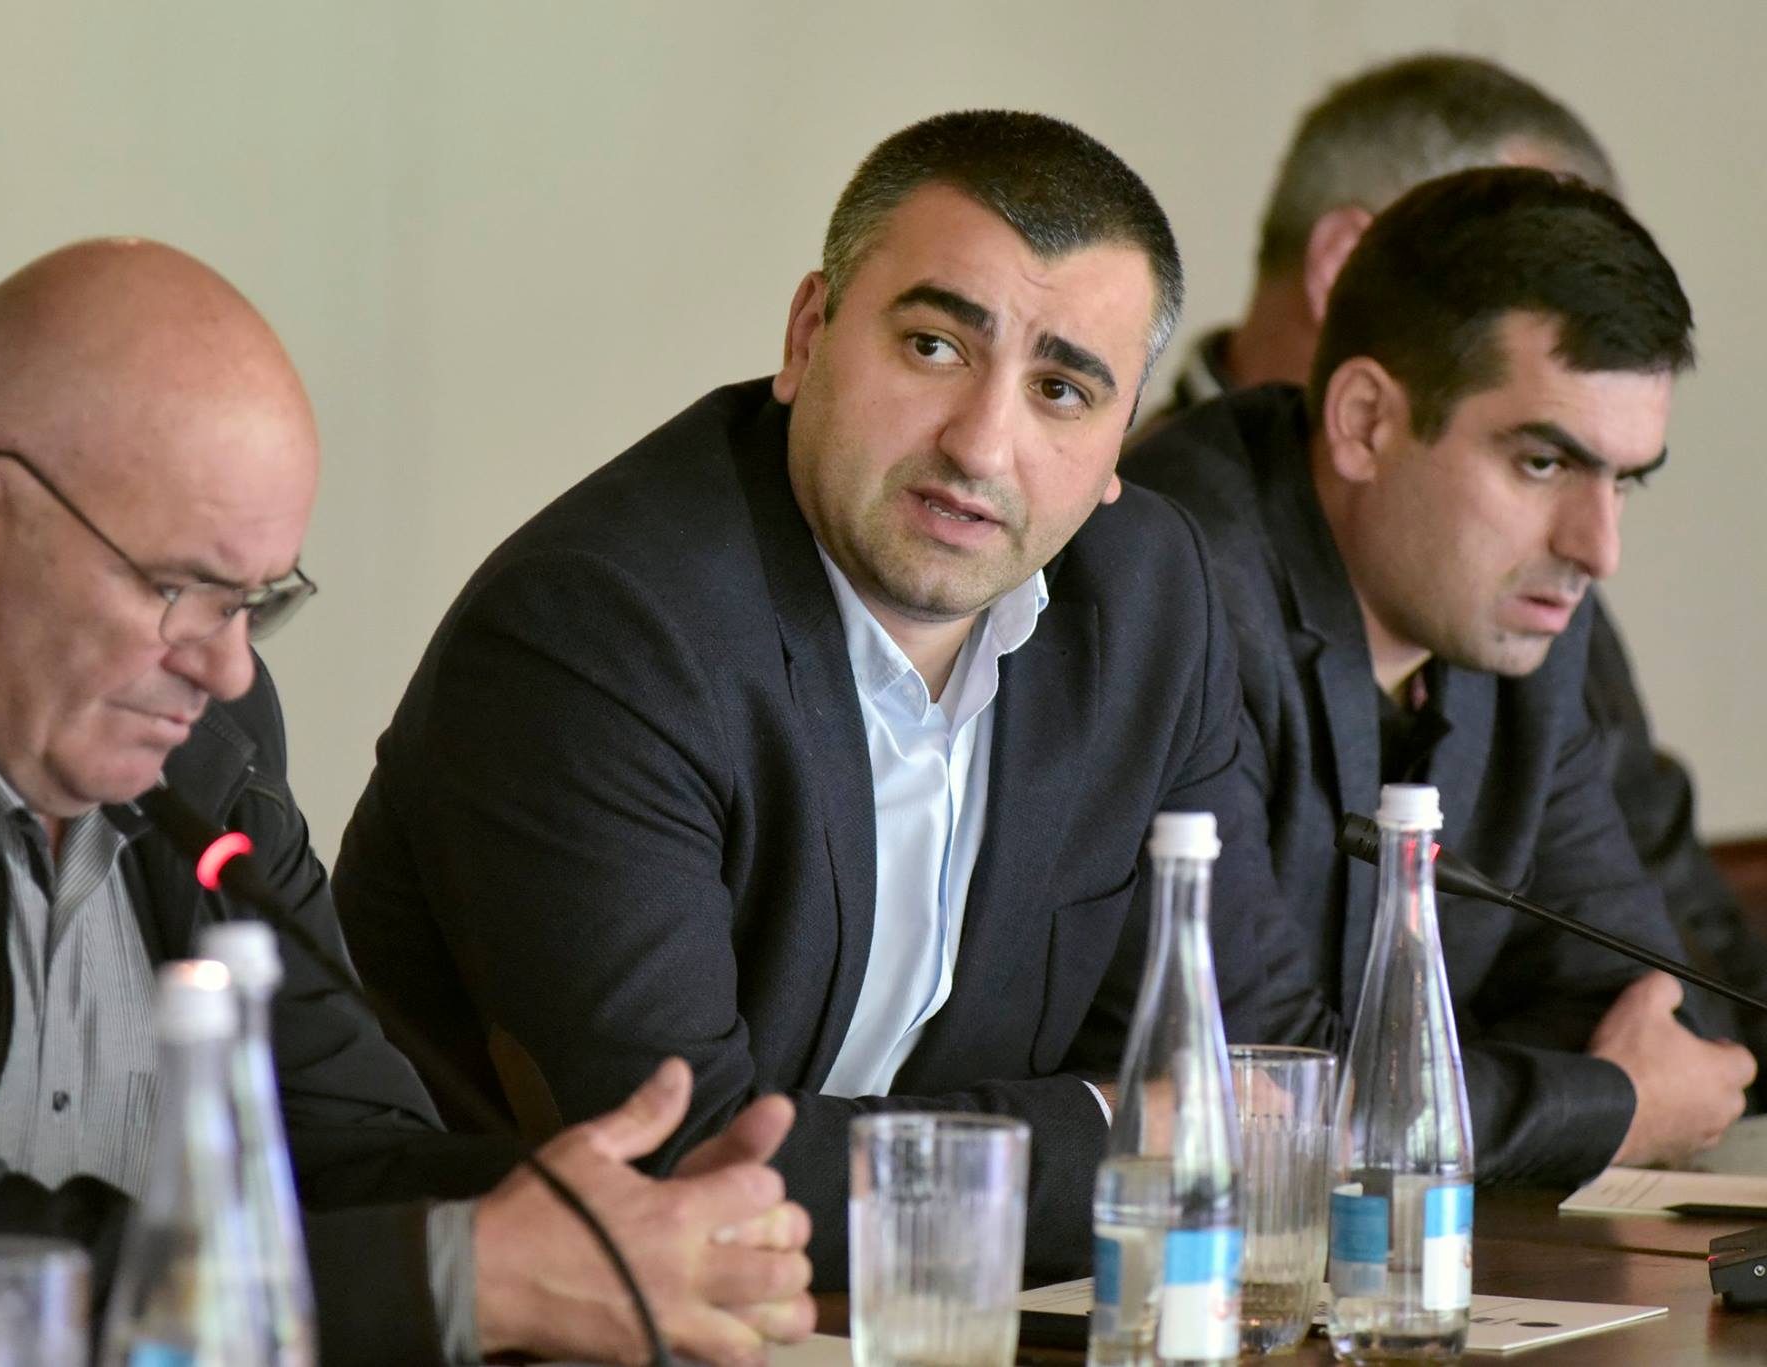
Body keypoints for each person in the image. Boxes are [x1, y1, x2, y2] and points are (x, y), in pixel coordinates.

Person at [331, 109, 1334, 1288]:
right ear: (808, 334)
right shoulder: (599, 630)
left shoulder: (1149, 600)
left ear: (1119, 444)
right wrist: (1122, 1139)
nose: (981, 445)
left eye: (1062, 390)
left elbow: (1243, 1076)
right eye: (933, 346)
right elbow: (684, 1172)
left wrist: (1154, 1127)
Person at [0, 239, 812, 1367]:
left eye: (255, 602)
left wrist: (600, 1223)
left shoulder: (205, 741)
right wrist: (463, 1275)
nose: (229, 671)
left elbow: (334, 1145)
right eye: (181, 590)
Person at [1147, 50, 1767, 1109]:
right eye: (1541, 462)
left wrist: (1547, 1088)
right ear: (1364, 422)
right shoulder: (1170, 576)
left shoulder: (1515, 620)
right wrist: (1599, 1106)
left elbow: (1650, 1009)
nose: (1597, 550)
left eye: (1625, 479)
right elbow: (1262, 1087)